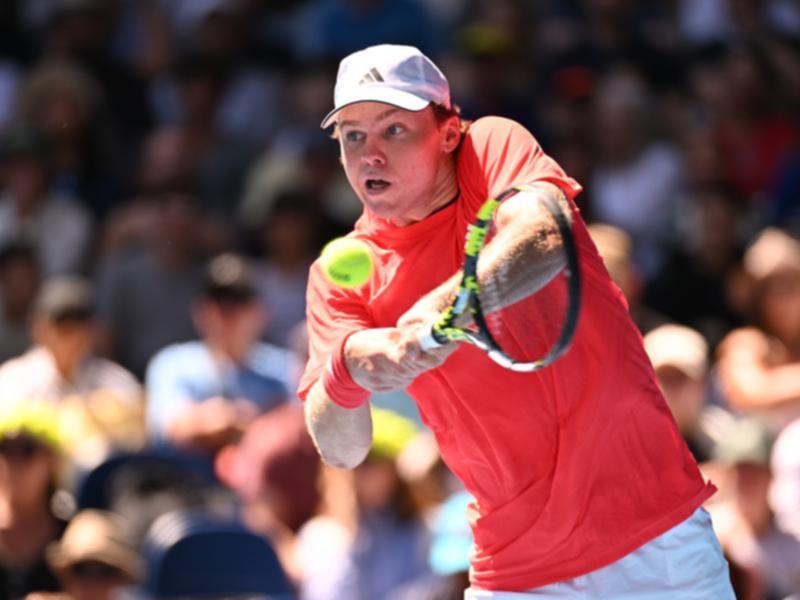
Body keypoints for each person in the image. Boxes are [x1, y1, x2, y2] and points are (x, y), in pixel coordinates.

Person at [300, 44, 734, 598]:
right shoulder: (338, 275)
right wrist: (352, 366)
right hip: (514, 572)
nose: (371, 154)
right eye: (352, 136)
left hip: (656, 540)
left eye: (394, 129)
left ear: (449, 133)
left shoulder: (491, 145)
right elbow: (342, 448)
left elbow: (544, 237)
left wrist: (435, 314)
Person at [145, 253, 298, 481]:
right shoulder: (173, 362)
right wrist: (241, 421)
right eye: (216, 303)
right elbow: (175, 427)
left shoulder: (284, 367)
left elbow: (301, 435)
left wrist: (237, 424)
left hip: (264, 496)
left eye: (238, 302)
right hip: (186, 488)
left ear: (260, 312)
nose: (226, 314)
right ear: (200, 311)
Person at [0, 276, 144, 475]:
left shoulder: (115, 381)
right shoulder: (12, 380)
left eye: (78, 324)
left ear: (91, 330)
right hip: (32, 493)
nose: (70, 335)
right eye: (61, 324)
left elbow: (137, 441)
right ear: (38, 327)